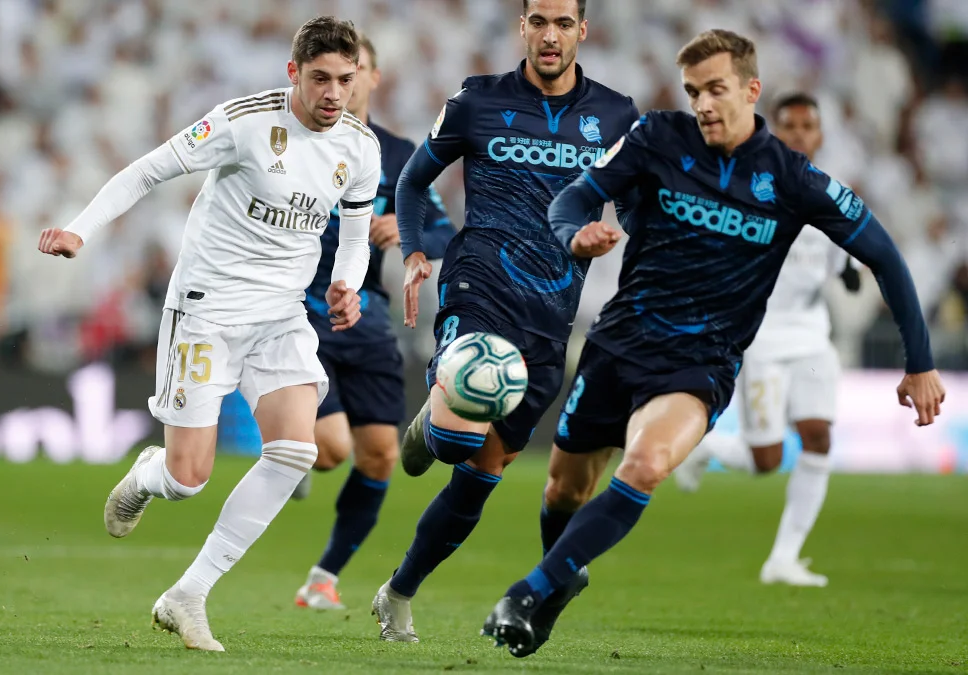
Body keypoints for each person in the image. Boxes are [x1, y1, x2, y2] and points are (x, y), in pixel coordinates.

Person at [483, 29, 945, 658]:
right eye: (694, 91)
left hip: (700, 363)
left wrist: (920, 363)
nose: (702, 104)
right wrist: (574, 235)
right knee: (562, 491)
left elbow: (885, 255)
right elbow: (575, 197)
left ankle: (528, 592)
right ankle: (561, 577)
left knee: (645, 465)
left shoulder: (792, 177)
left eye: (716, 89)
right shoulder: (656, 137)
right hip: (618, 345)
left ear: (751, 90)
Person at [37, 16, 380, 652]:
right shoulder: (243, 122)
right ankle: (150, 475)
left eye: (345, 79)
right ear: (293, 73)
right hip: (206, 311)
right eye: (320, 79)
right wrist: (80, 230)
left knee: (295, 452)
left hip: (281, 316)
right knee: (188, 478)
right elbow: (146, 172)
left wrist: (347, 284)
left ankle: (187, 594)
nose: (334, 93)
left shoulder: (359, 147)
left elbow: (356, 235)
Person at [370, 0, 639, 642]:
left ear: (582, 30)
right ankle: (437, 425)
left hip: (552, 314)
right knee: (459, 439)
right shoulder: (477, 101)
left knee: (480, 478)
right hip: (479, 284)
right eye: (538, 21)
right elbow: (412, 182)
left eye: (563, 23)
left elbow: (637, 205)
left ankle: (398, 591)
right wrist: (414, 252)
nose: (550, 35)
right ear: (522, 27)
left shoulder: (616, 115)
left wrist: (625, 240)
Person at [291, 35, 456, 611]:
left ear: (373, 77)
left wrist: (405, 230)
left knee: (382, 455)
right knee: (331, 449)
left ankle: (323, 577)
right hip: (298, 307)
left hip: (367, 314)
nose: (345, 82)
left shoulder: (400, 154)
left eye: (355, 70)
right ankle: (288, 446)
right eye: (331, 73)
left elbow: (443, 231)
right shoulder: (298, 139)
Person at [674, 93, 862, 588]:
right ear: (774, 132)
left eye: (807, 125)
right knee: (767, 460)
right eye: (789, 125)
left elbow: (844, 263)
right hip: (761, 340)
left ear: (819, 135)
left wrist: (852, 274)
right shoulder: (749, 188)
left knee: (819, 436)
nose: (799, 133)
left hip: (812, 338)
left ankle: (784, 557)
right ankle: (706, 449)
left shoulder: (833, 197)